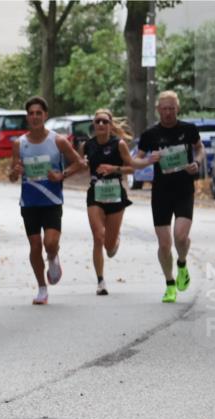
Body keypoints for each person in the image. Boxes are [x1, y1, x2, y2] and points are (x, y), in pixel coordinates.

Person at [8, 96, 86, 305]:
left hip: (51, 200)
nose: (34, 117)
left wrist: (62, 175)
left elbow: (79, 163)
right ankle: (42, 287)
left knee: (50, 243)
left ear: (45, 116)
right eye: (31, 113)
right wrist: (15, 172)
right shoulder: (20, 144)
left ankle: (53, 256)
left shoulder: (57, 141)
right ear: (27, 117)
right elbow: (12, 175)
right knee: (34, 245)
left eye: (38, 113)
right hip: (29, 202)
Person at [134, 91, 204, 303]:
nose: (168, 113)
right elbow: (134, 161)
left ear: (177, 108)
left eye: (171, 108)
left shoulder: (189, 130)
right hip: (161, 193)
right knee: (164, 244)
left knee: (181, 238)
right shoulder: (150, 135)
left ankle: (182, 263)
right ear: (158, 110)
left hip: (184, 190)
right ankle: (170, 284)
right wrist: (148, 160)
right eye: (164, 109)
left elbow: (199, 149)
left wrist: (197, 163)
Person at [82, 108, 135, 296]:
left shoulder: (119, 144)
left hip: (115, 195)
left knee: (109, 247)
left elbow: (131, 169)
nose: (101, 125)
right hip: (95, 194)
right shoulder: (88, 145)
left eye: (105, 121)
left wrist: (114, 168)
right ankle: (100, 281)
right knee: (98, 236)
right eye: (98, 122)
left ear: (111, 125)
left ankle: (115, 241)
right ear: (94, 125)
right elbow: (82, 165)